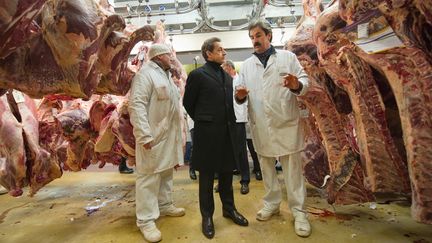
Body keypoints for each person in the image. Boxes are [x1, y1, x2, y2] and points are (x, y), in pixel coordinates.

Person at [235, 19, 311, 237]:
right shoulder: (248, 65)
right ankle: (272, 203)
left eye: (258, 36)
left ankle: (299, 212)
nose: (254, 41)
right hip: (261, 125)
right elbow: (240, 92)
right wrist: (239, 97)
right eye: (251, 37)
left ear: (269, 35)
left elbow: (305, 82)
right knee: (267, 168)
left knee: (293, 172)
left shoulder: (288, 58)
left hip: (286, 122)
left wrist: (297, 85)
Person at [183, 37, 248, 239]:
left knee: (227, 174)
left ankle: (229, 209)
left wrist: (240, 98)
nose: (224, 52)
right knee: (207, 178)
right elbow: (188, 103)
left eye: (224, 49)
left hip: (227, 132)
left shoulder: (227, 77)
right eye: (220, 49)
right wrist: (204, 120)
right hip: (208, 134)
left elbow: (230, 103)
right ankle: (207, 217)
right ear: (208, 53)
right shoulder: (197, 75)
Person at [129, 43, 185, 243]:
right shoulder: (145, 75)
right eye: (169, 56)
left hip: (168, 136)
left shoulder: (166, 76)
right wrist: (143, 135)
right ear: (159, 57)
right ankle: (145, 220)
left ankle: (165, 204)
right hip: (152, 137)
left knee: (166, 171)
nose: (172, 59)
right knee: (148, 177)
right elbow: (136, 105)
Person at [221, 60, 250, 194]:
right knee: (226, 151)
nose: (223, 73)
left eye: (225, 70)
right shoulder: (223, 82)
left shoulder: (240, 81)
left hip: (238, 119)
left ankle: (245, 181)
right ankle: (224, 184)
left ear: (231, 69)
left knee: (241, 151)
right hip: (225, 121)